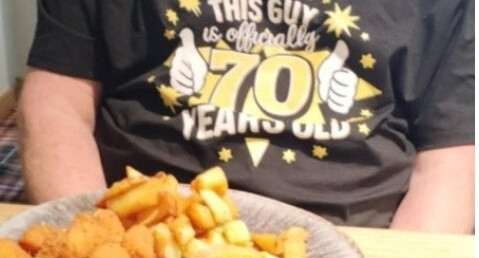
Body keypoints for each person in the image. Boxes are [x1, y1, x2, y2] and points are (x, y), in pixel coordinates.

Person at [17, 0, 474, 231]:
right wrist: (96, 242)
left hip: (359, 243)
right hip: (144, 232)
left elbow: (451, 156)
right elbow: (57, 103)